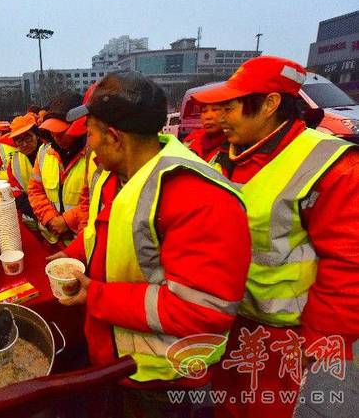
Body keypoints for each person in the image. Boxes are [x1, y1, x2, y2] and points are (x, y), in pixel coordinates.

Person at [48, 72, 251, 417]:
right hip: (118, 363)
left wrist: (95, 295)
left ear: (114, 137)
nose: (88, 144)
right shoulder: (112, 175)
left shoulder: (199, 197)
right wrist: (69, 257)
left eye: (91, 133)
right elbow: (102, 233)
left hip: (164, 380)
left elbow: (203, 310)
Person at [192, 56, 359, 418]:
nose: (218, 117)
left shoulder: (330, 165)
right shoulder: (225, 153)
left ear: (270, 104)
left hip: (280, 334)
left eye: (230, 107)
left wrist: (320, 342)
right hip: (225, 320)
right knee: (225, 406)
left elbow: (347, 265)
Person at [28, 91, 93, 242]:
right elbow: (35, 191)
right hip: (52, 239)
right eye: (52, 130)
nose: (56, 136)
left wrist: (67, 221)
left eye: (62, 131)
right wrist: (50, 219)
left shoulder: (95, 155)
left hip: (81, 243)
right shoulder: (44, 152)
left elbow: (98, 202)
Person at [6, 114, 43, 218]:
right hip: (34, 214)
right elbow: (16, 193)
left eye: (28, 138)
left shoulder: (51, 154)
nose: (25, 144)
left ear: (37, 136)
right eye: (19, 140)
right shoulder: (14, 163)